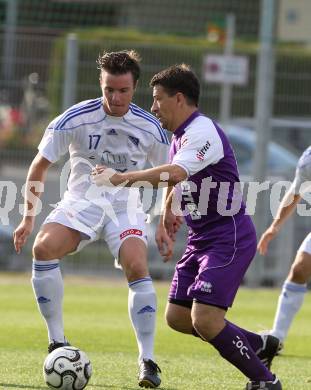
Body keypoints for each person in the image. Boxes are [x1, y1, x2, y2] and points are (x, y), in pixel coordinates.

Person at [92, 64, 283, 390]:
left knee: (205, 320)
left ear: (179, 99)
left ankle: (265, 381)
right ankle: (257, 345)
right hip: (201, 239)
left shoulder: (202, 131)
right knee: (177, 318)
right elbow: (176, 176)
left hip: (229, 237)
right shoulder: (180, 137)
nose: (153, 107)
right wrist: (167, 214)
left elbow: (177, 173)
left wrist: (123, 179)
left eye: (157, 99)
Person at [13, 50, 169, 388]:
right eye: (109, 89)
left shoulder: (150, 127)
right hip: (81, 202)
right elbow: (39, 166)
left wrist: (167, 218)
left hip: (125, 205)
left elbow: (170, 175)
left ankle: (148, 361)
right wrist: (28, 219)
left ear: (135, 87)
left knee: (137, 266)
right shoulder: (75, 118)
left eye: (123, 90)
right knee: (43, 248)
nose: (115, 97)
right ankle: (57, 342)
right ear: (101, 84)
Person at [257, 145, 311, 348]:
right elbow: (296, 191)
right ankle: (276, 338)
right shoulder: (308, 160)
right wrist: (274, 227)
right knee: (300, 270)